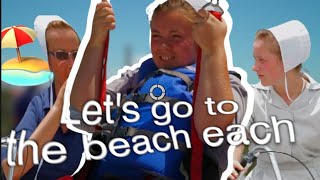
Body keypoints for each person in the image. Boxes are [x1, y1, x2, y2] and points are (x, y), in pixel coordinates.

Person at [70, 0, 247, 179]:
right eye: (156, 35)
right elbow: (83, 111)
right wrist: (95, 41)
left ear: (200, 38)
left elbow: (212, 128)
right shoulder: (138, 77)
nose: (163, 45)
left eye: (175, 36)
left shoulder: (227, 84)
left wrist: (214, 49)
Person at [229, 20, 320, 180]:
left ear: (288, 62)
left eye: (262, 60)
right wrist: (232, 160)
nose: (254, 67)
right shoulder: (251, 96)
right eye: (255, 59)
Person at [1, 16, 83, 179]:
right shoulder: (36, 105)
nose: (72, 63)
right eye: (61, 55)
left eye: (76, 54)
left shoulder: (96, 107)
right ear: (49, 62)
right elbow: (10, 170)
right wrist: (59, 107)